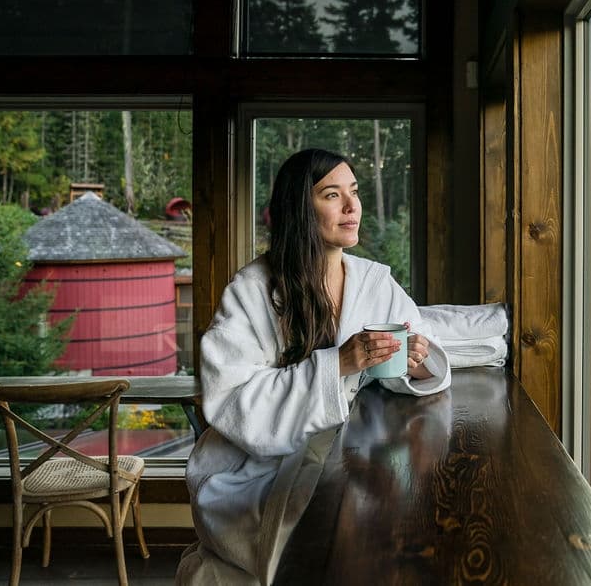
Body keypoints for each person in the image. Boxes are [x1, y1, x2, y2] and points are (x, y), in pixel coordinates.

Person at [177, 148, 451, 584]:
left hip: (349, 450)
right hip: (257, 464)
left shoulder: (374, 281)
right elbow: (231, 400)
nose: (352, 206)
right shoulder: (252, 291)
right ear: (300, 208)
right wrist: (338, 363)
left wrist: (416, 361)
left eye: (355, 192)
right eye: (331, 194)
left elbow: (418, 351)